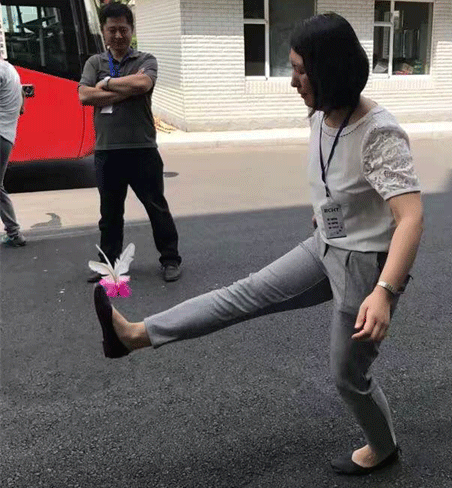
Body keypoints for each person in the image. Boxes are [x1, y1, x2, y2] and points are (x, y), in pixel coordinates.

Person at [93, 12, 423, 476]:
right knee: (242, 295)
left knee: (348, 376)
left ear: (330, 71)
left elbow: (411, 217)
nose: (293, 82)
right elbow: (340, 176)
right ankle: (133, 336)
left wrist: (384, 293)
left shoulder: (379, 132)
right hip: (326, 244)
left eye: (301, 71)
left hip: (366, 268)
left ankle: (384, 447)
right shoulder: (322, 113)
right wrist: (330, 210)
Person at [79, 2, 182, 283]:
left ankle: (170, 260)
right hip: (107, 151)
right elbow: (85, 96)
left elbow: (143, 85)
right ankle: (109, 264)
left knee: (156, 208)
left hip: (142, 149)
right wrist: (126, 89)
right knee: (110, 214)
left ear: (132, 30)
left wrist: (106, 84)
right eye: (112, 30)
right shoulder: (94, 63)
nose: (118, 36)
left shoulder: (146, 59)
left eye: (123, 30)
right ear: (103, 31)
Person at [0, 57, 26, 248]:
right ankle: (14, 233)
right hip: (6, 135)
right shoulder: (9, 69)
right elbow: (22, 105)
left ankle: (14, 233)